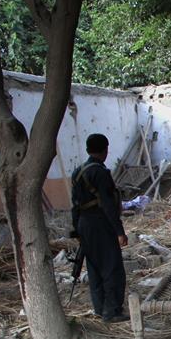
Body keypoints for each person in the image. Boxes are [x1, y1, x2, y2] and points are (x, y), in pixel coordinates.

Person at [71, 133, 128, 323]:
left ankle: (99, 308)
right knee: (112, 268)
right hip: (100, 223)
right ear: (105, 150)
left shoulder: (77, 171)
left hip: (84, 224)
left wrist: (76, 229)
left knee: (94, 267)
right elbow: (108, 205)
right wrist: (119, 231)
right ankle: (112, 311)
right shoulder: (100, 173)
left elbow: (75, 204)